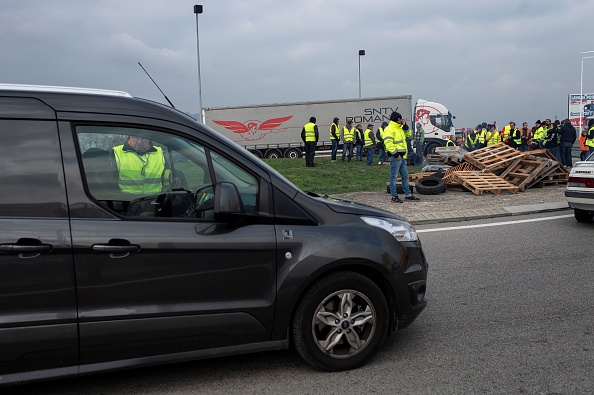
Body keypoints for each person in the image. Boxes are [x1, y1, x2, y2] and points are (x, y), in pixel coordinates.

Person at [383, 111, 419, 203]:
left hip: (402, 157)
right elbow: (388, 144)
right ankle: (394, 196)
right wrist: (396, 155)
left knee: (405, 176)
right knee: (393, 177)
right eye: (401, 119)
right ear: (397, 119)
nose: (402, 120)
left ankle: (408, 194)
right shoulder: (389, 129)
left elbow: (409, 135)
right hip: (396, 157)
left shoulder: (400, 128)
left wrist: (405, 126)